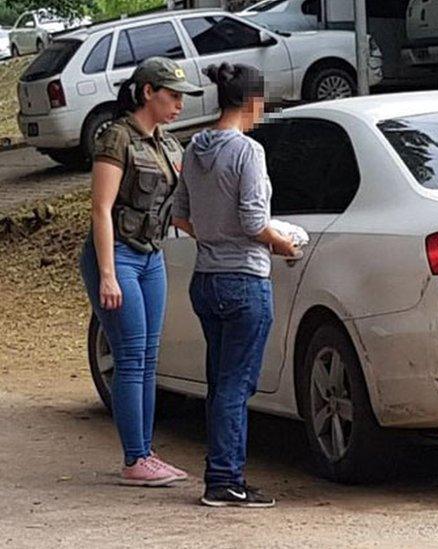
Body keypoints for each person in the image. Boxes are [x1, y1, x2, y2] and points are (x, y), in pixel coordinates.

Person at [172, 63, 298, 508]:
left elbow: (181, 215)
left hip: (206, 278)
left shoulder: (196, 147)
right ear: (253, 103)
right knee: (235, 385)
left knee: (220, 380)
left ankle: (223, 473)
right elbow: (251, 219)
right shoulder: (247, 151)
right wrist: (280, 242)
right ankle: (224, 478)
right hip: (244, 276)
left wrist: (212, 233)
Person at [79, 57, 203, 485]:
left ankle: (145, 452)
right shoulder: (116, 137)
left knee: (149, 358)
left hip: (151, 255)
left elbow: (180, 206)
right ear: (147, 92)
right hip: (117, 254)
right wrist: (108, 274)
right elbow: (101, 208)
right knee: (130, 358)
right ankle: (135, 459)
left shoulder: (167, 144)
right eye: (171, 95)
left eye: (181, 97)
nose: (179, 105)